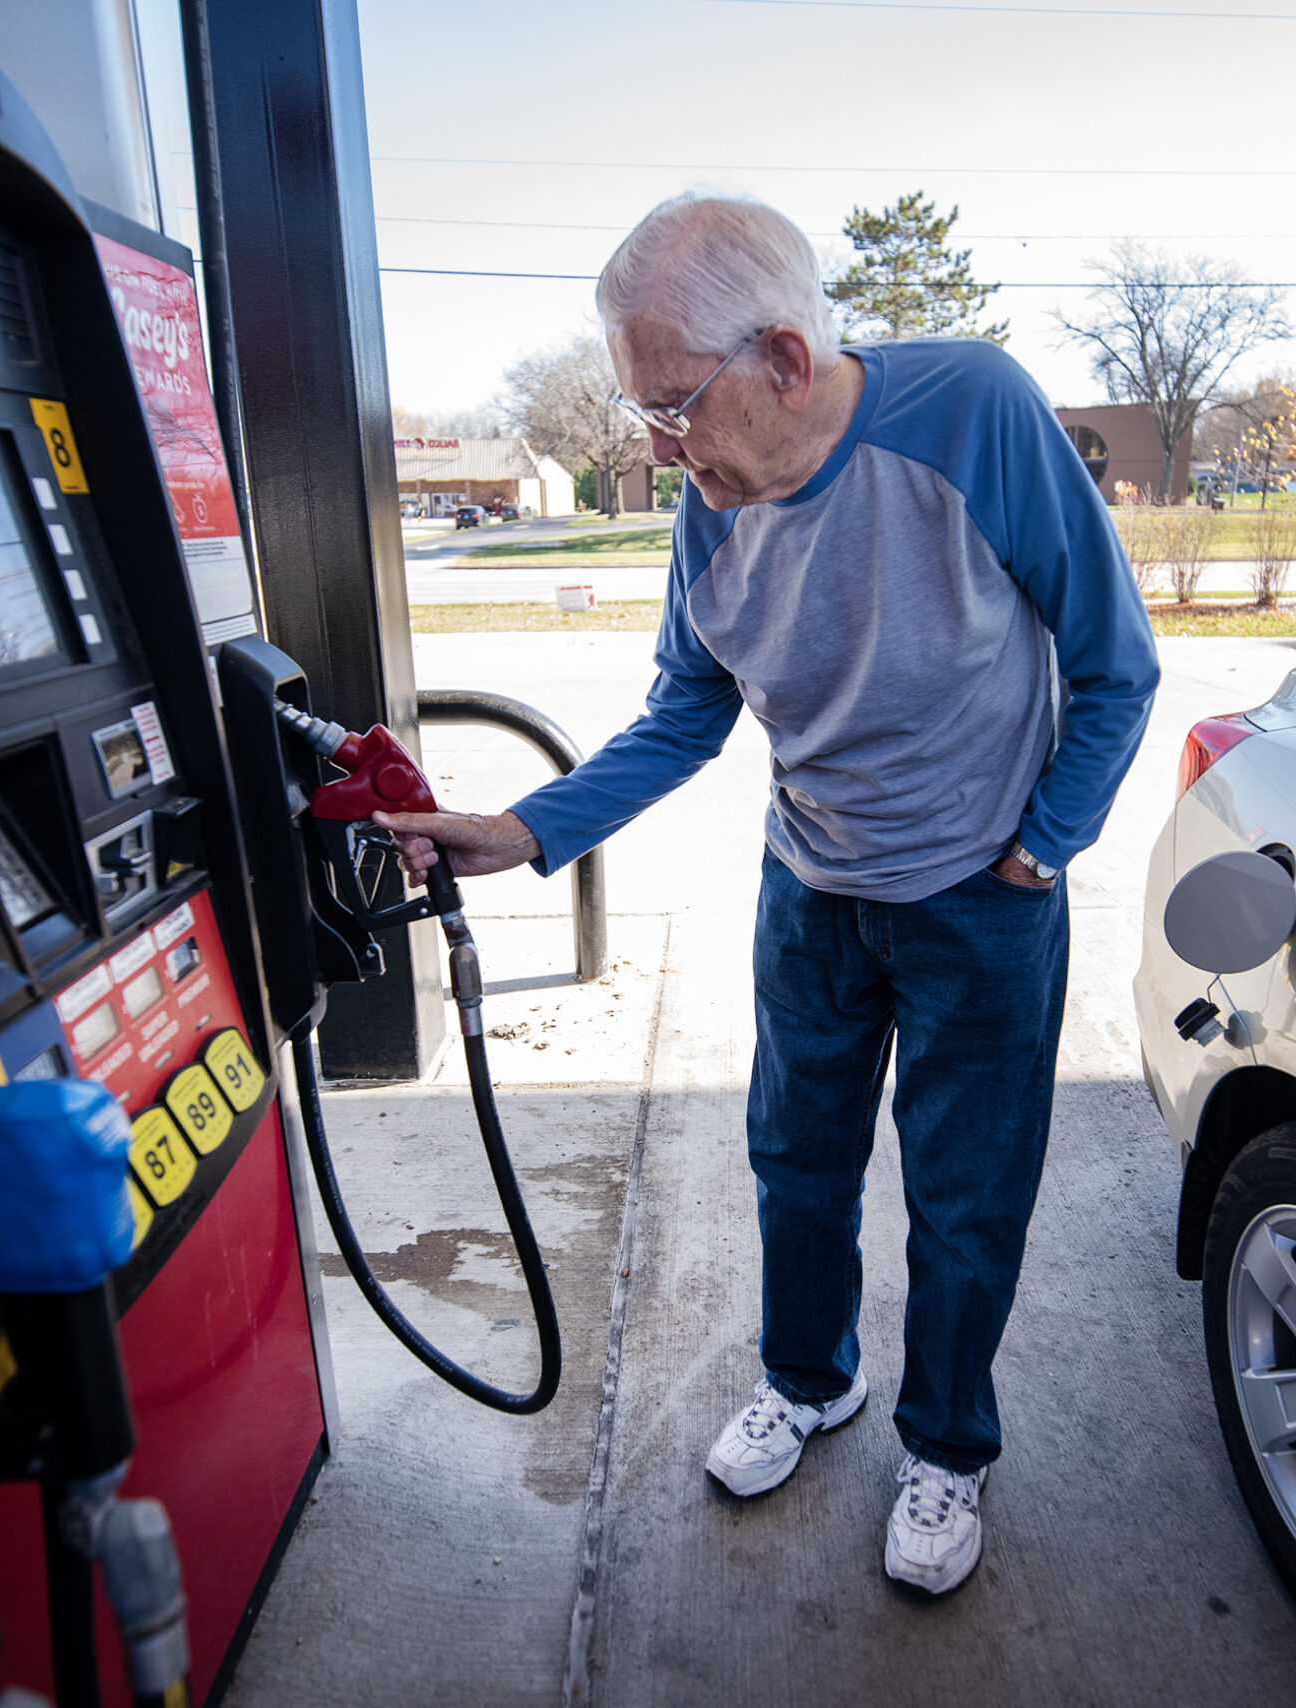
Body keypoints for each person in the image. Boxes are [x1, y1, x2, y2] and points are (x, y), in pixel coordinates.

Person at [376, 192, 1157, 1595]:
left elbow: (1115, 664)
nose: (657, 445)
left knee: (966, 1198)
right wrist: (524, 829)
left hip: (983, 897)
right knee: (794, 1163)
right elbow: (688, 710)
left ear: (786, 360)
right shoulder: (710, 503)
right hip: (812, 888)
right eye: (645, 413)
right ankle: (810, 1380)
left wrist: (1044, 843)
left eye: (674, 406)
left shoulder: (972, 412)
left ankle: (949, 1449)